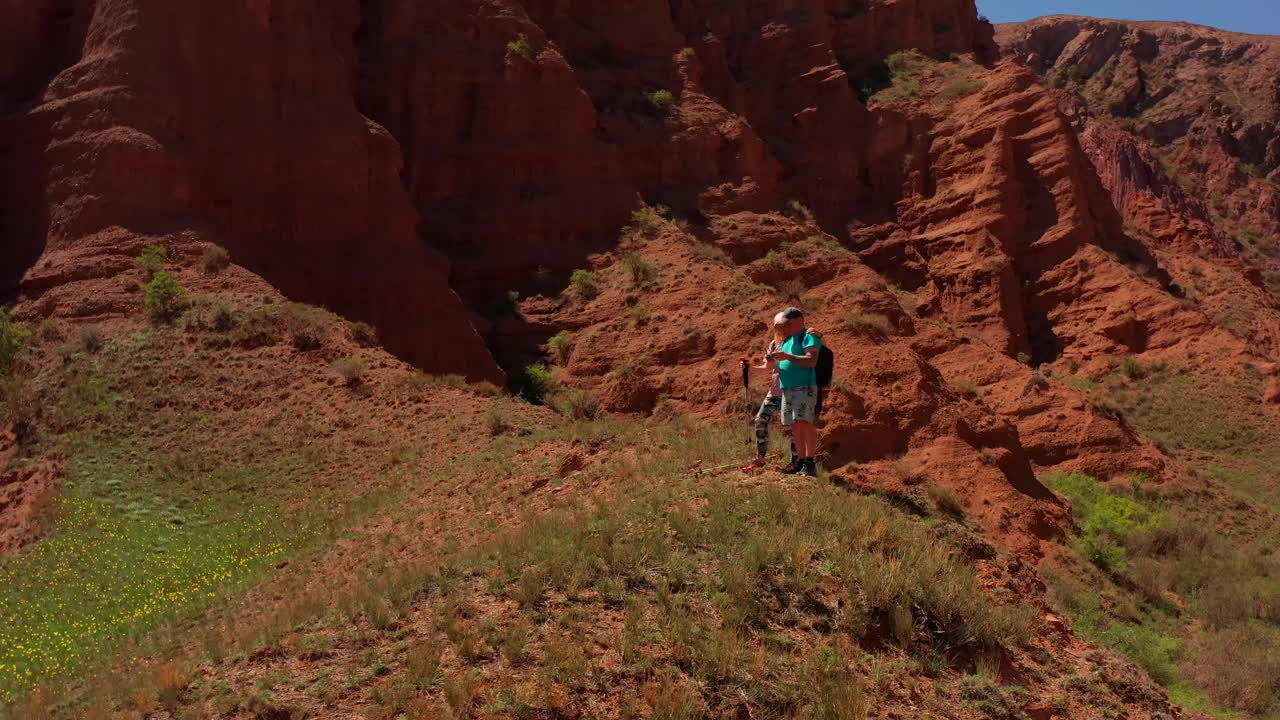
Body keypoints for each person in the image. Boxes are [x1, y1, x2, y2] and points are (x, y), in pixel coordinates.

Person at [768, 307, 823, 477]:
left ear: (799, 320)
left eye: (789, 323)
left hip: (803, 386)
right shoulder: (787, 340)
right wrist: (773, 362)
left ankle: (809, 462)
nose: (786, 327)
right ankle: (799, 462)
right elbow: (781, 367)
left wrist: (788, 357)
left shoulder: (808, 336)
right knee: (795, 425)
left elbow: (811, 360)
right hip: (788, 387)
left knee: (805, 423)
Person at [740, 320, 798, 472]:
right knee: (761, 420)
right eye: (779, 327)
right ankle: (760, 459)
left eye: (786, 326)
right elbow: (767, 368)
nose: (783, 330)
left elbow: (791, 368)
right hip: (775, 391)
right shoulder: (774, 344)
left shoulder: (795, 345)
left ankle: (796, 462)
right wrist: (750, 368)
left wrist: (775, 364)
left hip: (790, 391)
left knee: (794, 426)